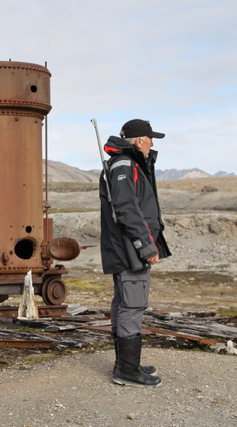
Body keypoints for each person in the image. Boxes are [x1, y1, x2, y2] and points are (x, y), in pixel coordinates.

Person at [99, 119, 172, 387]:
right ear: (140, 140)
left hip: (125, 248)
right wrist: (146, 245)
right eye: (151, 138)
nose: (153, 143)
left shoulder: (126, 163)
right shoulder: (124, 165)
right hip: (130, 249)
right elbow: (127, 209)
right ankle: (127, 371)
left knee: (124, 303)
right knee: (133, 305)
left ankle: (126, 363)